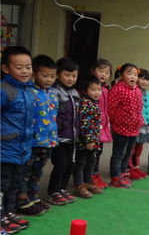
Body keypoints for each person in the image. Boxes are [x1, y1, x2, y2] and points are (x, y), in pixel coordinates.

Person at [16, 55, 59, 216]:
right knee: (26, 172)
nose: (49, 80)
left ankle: (33, 197)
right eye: (45, 75)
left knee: (38, 171)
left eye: (52, 76)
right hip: (32, 141)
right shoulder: (29, 92)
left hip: (48, 141)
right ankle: (22, 200)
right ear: (34, 74)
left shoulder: (53, 93)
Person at [1, 46, 35, 234]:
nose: (25, 71)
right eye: (19, 67)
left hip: (20, 149)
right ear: (6, 69)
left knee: (15, 183)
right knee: (2, 185)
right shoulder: (4, 90)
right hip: (4, 149)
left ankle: (8, 213)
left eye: (28, 67)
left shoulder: (27, 90)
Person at [47, 57, 80, 205]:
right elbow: (53, 114)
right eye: (67, 75)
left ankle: (62, 189)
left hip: (72, 137)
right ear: (58, 74)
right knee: (60, 165)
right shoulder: (54, 91)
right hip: (59, 137)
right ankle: (52, 192)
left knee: (70, 165)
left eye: (74, 76)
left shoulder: (75, 93)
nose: (70, 79)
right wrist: (58, 128)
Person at [106, 63, 144, 188]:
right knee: (118, 154)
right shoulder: (118, 89)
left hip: (134, 129)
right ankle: (115, 177)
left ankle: (123, 173)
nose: (133, 77)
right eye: (129, 74)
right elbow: (111, 108)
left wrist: (140, 121)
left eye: (135, 74)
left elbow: (139, 109)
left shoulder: (137, 90)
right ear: (121, 75)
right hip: (121, 129)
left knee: (128, 154)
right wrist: (117, 122)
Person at [73, 76, 104, 198]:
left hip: (93, 140)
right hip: (84, 141)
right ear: (85, 91)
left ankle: (88, 182)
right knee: (81, 163)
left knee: (91, 162)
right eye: (93, 90)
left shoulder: (93, 103)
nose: (97, 93)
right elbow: (85, 124)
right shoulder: (85, 104)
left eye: (99, 89)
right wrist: (89, 140)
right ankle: (79, 186)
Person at [90, 59, 112, 189]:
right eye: (101, 71)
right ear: (93, 71)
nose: (104, 74)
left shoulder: (105, 89)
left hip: (102, 126)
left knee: (98, 152)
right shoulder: (90, 88)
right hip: (92, 126)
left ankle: (96, 175)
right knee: (92, 153)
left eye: (107, 72)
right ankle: (91, 176)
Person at [128, 68, 149, 180]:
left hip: (146, 125)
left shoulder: (148, 94)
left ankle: (136, 167)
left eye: (147, 80)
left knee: (139, 148)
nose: (144, 82)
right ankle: (129, 168)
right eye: (142, 79)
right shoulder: (134, 91)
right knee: (132, 148)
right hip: (136, 124)